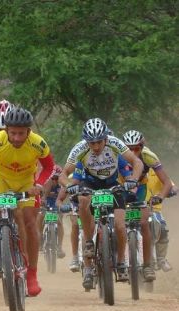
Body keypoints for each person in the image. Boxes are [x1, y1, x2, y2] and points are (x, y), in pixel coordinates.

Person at [0, 106, 55, 297]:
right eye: (12, 133)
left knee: (30, 223)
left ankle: (31, 275)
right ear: (6, 130)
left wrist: (38, 185)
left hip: (27, 184)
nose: (16, 138)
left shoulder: (38, 143)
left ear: (29, 131)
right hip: (2, 181)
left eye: (21, 133)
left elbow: (49, 167)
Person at [64, 118, 143, 288]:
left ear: (106, 138)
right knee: (83, 199)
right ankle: (88, 249)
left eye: (99, 142)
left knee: (121, 226)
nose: (96, 146)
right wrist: (69, 186)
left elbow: (137, 162)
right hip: (90, 183)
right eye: (92, 143)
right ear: (87, 141)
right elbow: (64, 173)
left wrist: (134, 180)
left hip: (112, 183)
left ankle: (121, 263)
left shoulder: (115, 143)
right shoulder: (80, 148)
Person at [121, 130, 173, 281]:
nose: (133, 152)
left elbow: (167, 182)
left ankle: (148, 265)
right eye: (129, 148)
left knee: (145, 222)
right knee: (115, 222)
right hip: (120, 186)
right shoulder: (117, 155)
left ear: (142, 147)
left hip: (140, 188)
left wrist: (160, 197)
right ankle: (112, 258)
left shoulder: (149, 156)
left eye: (136, 148)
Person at [146, 167, 176, 272]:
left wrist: (170, 191)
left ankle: (161, 259)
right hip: (131, 210)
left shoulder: (156, 172)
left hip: (153, 209)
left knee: (162, 229)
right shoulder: (126, 170)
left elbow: (171, 186)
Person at [38, 164, 68, 258]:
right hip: (45, 203)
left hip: (57, 204)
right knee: (40, 218)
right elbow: (41, 196)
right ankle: (41, 240)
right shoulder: (46, 182)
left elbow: (65, 196)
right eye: (53, 178)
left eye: (56, 178)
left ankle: (59, 246)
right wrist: (42, 199)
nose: (55, 180)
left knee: (59, 222)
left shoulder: (62, 184)